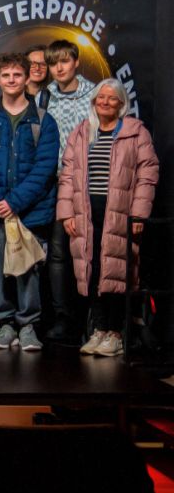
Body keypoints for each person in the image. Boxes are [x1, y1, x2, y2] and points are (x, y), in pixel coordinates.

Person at [58, 79, 159, 357]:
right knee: (91, 272)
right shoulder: (82, 132)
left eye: (112, 98)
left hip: (120, 213)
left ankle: (116, 334)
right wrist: (66, 213)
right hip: (86, 213)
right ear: (93, 102)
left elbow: (147, 174)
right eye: (100, 97)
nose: (105, 102)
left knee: (116, 272)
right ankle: (99, 330)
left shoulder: (135, 132)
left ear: (121, 104)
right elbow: (67, 174)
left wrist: (138, 215)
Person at [0, 53, 59, 352]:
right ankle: (4, 323)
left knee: (28, 266)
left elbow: (45, 168)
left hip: (30, 211)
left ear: (27, 78)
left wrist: (15, 202)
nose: (11, 80)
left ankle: (28, 324)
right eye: (6, 75)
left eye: (17, 75)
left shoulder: (44, 121)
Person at [40, 39, 97, 342]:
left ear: (76, 62)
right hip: (54, 182)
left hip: (88, 182)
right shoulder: (45, 96)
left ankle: (94, 318)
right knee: (58, 252)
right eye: (53, 63)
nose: (59, 68)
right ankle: (62, 317)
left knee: (90, 249)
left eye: (64, 61)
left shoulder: (94, 94)